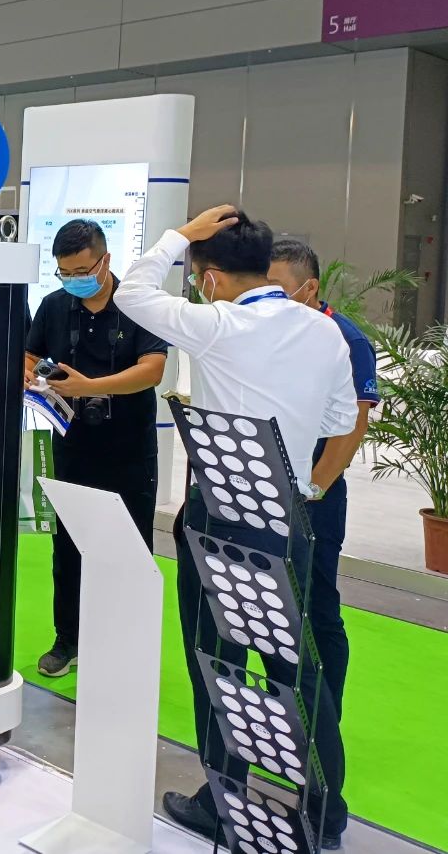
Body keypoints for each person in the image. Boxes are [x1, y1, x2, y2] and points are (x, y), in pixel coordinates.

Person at [115, 207, 357, 850]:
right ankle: (326, 809)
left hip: (220, 519)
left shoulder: (216, 324)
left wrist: (180, 235)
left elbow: (133, 291)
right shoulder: (324, 331)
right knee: (296, 669)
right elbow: (338, 420)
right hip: (287, 520)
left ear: (211, 278)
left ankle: (224, 800)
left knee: (217, 663)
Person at [25, 219, 168, 677]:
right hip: (71, 447)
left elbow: (152, 369)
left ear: (105, 260)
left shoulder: (137, 306)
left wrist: (89, 387)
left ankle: (124, 649)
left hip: (129, 451)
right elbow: (30, 355)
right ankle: (67, 640)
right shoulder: (54, 306)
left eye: (82, 271)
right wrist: (30, 375)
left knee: (130, 551)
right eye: (65, 273)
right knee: (68, 549)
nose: (74, 280)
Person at [267, 239, 378, 720]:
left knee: (317, 607)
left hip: (315, 495)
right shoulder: (271, 331)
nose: (267, 300)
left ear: (309, 288)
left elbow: (353, 424)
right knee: (274, 605)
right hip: (271, 488)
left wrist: (313, 488)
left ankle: (323, 718)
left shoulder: (346, 339)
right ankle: (280, 706)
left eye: (277, 289)